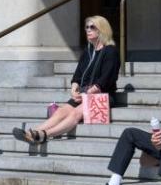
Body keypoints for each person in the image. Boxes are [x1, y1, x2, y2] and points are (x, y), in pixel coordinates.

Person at [12, 15, 120, 145]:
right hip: (84, 94)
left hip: (102, 95)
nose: (88, 30)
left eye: (92, 27)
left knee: (75, 113)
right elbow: (78, 75)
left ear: (102, 30)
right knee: (61, 111)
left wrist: (87, 93)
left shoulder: (110, 51)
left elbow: (106, 79)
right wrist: (74, 89)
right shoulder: (88, 52)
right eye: (87, 27)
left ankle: (44, 135)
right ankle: (32, 133)